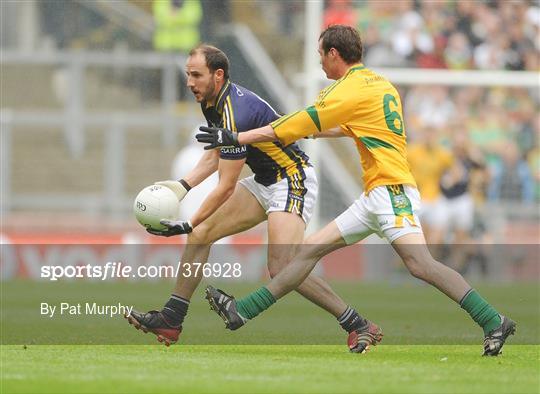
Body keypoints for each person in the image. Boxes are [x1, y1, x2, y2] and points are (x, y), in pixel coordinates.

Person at [196, 25, 516, 356]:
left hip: (390, 191)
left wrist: (237, 137)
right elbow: (347, 126)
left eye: (321, 54)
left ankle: (493, 320)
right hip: (375, 195)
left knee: (421, 265)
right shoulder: (378, 84)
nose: (319, 62)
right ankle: (243, 310)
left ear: (334, 54)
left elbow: (298, 124)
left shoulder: (348, 89)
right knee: (307, 251)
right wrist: (307, 132)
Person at [126, 45, 381, 352]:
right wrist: (182, 187)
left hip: (292, 179)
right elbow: (216, 154)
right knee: (201, 234)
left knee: (282, 265)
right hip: (264, 180)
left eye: (196, 75)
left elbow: (226, 186)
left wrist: (186, 221)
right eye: (187, 75)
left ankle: (357, 323)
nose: (190, 82)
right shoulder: (211, 101)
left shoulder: (235, 111)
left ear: (218, 75)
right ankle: (171, 317)